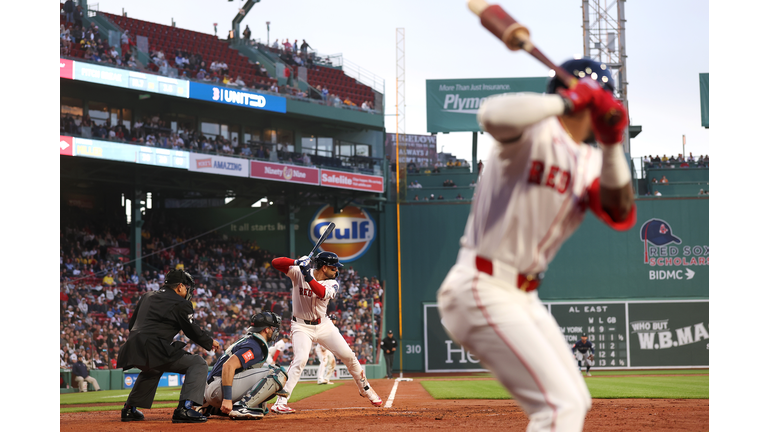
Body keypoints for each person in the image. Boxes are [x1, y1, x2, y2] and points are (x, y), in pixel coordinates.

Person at [437, 58, 636, 432]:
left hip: (524, 295)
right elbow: (492, 114)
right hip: (480, 283)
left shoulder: (594, 160)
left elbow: (620, 208)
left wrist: (612, 145)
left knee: (576, 401)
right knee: (559, 409)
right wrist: (569, 100)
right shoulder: (528, 132)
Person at [268, 252, 383, 413]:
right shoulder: (298, 272)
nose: (336, 271)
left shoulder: (332, 283)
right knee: (300, 359)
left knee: (349, 356)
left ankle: (365, 388)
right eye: (333, 267)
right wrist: (296, 261)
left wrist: (307, 274)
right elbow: (275, 262)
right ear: (324, 267)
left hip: (324, 325)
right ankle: (281, 401)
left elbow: (320, 292)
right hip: (301, 326)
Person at [117, 269, 220, 423]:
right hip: (153, 346)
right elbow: (190, 329)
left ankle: (129, 409)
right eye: (186, 287)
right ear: (179, 287)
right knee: (198, 363)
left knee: (153, 368)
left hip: (132, 346)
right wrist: (209, 342)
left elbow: (132, 324)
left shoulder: (147, 296)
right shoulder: (181, 303)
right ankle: (184, 408)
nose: (187, 291)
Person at [198, 312, 288, 420]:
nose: (275, 331)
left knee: (260, 407)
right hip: (218, 390)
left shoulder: (249, 341)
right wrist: (227, 398)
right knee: (277, 373)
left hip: (213, 391)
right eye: (273, 328)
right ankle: (242, 407)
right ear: (266, 329)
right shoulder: (254, 345)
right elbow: (228, 366)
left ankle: (211, 408)